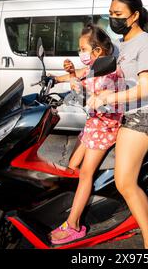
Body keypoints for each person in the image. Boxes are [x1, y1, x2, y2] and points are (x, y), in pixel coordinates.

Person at [87, 0, 148, 249]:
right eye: (110, 14)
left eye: (118, 14)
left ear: (135, 16)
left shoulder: (147, 44)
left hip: (143, 116)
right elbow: (100, 68)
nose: (113, 18)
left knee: (124, 182)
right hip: (125, 116)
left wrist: (110, 97)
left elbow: (146, 89)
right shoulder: (123, 45)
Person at [48, 24, 124, 245]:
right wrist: (57, 77)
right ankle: (69, 205)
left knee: (85, 173)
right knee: (72, 164)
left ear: (97, 50)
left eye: (83, 48)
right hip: (94, 123)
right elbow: (78, 76)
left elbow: (91, 94)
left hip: (104, 126)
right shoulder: (95, 66)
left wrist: (75, 82)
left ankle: (73, 225)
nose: (80, 52)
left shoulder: (110, 71)